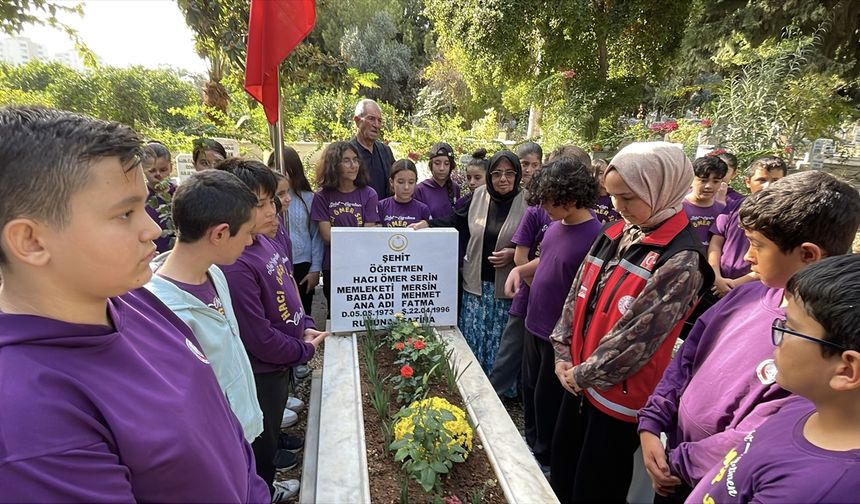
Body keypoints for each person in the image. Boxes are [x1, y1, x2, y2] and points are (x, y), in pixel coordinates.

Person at [0, 106, 269, 502]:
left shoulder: (138, 300)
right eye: (124, 213)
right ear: (32, 241)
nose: (153, 229)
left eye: (143, 206)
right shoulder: (30, 415)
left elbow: (225, 428)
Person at [637, 170, 860, 503]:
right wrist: (653, 420)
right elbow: (686, 360)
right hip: (672, 455)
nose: (745, 257)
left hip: (715, 477)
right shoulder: (745, 296)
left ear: (808, 255)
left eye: (757, 245)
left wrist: (677, 460)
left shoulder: (819, 344)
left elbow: (758, 433)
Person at [549, 142, 713, 504]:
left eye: (628, 198)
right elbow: (575, 299)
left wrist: (581, 373)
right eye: (613, 196)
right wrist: (562, 354)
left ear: (661, 188)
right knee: (561, 473)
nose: (617, 207)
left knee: (596, 488)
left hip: (616, 398)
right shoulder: (614, 233)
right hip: (576, 381)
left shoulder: (681, 260)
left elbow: (638, 339)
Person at [686, 255, 860, 504]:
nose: (775, 337)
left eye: (789, 328)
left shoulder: (814, 490)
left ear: (846, 370)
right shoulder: (804, 405)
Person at [216, 158, 329, 500]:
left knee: (272, 427)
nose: (275, 208)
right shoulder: (236, 265)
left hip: (282, 364)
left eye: (272, 199)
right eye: (261, 202)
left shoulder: (265, 239)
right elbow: (259, 338)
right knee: (259, 448)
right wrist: (304, 350)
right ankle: (264, 491)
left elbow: (288, 286)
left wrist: (306, 323)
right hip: (263, 372)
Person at [143, 170, 262, 442]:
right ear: (220, 234)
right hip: (217, 441)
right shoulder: (162, 311)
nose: (250, 241)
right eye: (247, 232)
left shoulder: (215, 274)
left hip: (240, 428)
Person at [503, 157, 603, 475]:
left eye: (548, 201)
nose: (543, 207)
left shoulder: (596, 237)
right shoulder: (557, 226)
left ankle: (544, 461)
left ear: (570, 197)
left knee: (549, 401)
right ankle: (530, 443)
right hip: (534, 322)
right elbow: (546, 261)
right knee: (530, 390)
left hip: (558, 337)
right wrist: (520, 268)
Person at [412, 150, 527, 375]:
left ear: (517, 174)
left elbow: (536, 240)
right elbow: (455, 219)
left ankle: (501, 388)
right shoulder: (479, 195)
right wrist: (428, 224)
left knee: (500, 339)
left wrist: (514, 252)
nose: (503, 179)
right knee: (475, 335)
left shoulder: (529, 201)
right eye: (496, 173)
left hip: (506, 287)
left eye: (509, 173)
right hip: (476, 284)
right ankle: (473, 379)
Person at [311, 141, 380, 314]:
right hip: (333, 265)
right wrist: (358, 235)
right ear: (334, 165)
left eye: (356, 160)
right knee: (335, 312)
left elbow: (368, 235)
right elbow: (326, 236)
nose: (354, 165)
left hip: (362, 264)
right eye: (347, 160)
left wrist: (344, 237)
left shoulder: (369, 194)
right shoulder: (322, 196)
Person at [708, 156, 787, 299]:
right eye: (762, 180)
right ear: (747, 182)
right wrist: (715, 276)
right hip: (717, 283)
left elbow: (778, 260)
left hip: (753, 288)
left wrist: (737, 284)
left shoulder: (784, 217)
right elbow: (715, 244)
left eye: (776, 181)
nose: (768, 186)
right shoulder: (733, 207)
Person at [268, 147, 323, 317]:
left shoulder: (309, 198)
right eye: (275, 167)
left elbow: (316, 236)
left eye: (286, 169)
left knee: (303, 309)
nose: (281, 173)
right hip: (274, 263)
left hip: (302, 263)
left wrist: (315, 269)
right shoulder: (265, 200)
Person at [349, 99, 394, 199]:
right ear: (357, 121)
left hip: (384, 212)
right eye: (371, 119)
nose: (376, 125)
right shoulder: (346, 153)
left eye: (379, 120)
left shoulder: (386, 151)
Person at [682, 156, 727, 247]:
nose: (709, 186)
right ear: (691, 179)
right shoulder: (679, 207)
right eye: (703, 181)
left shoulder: (723, 210)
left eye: (715, 181)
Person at [142, 141, 176, 253]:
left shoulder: (180, 193)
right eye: (152, 171)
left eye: (163, 170)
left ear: (171, 167)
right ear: (142, 169)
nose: (158, 174)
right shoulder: (140, 197)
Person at [378, 159, 431, 227]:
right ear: (391, 182)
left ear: (416, 182)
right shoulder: (381, 206)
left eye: (411, 182)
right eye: (401, 182)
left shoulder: (423, 209)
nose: (406, 187)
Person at [414, 142, 460, 220]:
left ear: (451, 166)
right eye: (437, 163)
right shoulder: (420, 189)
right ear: (431, 165)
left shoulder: (455, 188)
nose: (442, 168)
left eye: (446, 163)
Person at [591, 158, 621, 224]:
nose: (605, 176)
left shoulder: (619, 197)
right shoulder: (587, 199)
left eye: (607, 172)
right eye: (601, 173)